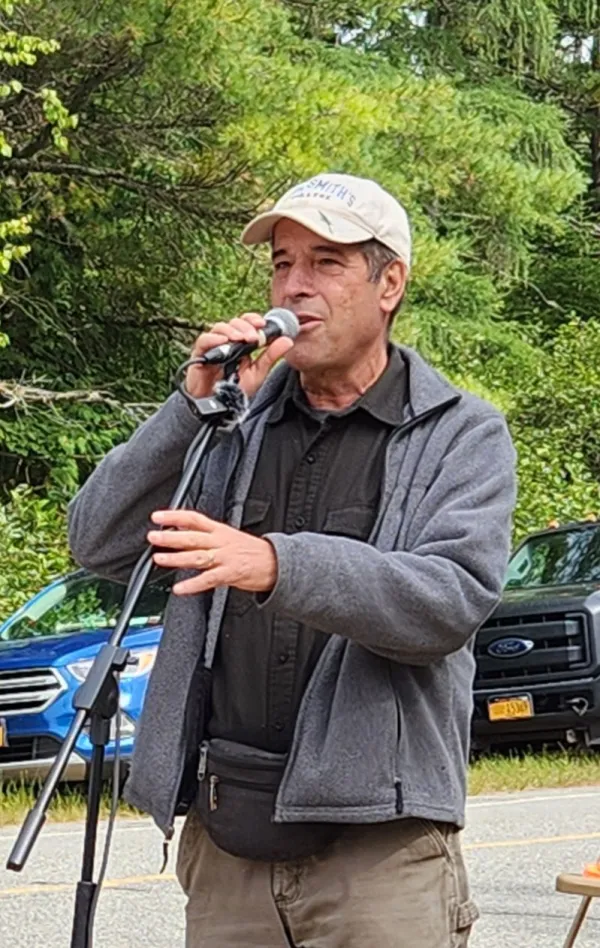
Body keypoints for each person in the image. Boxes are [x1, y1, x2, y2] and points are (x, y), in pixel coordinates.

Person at [68, 172, 517, 947]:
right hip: (228, 846)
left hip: (379, 854)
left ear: (390, 284)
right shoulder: (229, 427)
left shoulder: (460, 433)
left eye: (326, 263)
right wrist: (189, 410)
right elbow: (99, 541)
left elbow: (447, 601)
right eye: (282, 264)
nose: (295, 287)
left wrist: (277, 563)